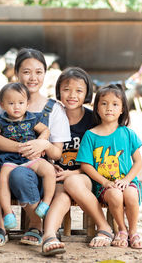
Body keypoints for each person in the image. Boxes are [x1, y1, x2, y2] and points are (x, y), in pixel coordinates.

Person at [0, 48, 71, 247]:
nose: (33, 77)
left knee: (20, 175)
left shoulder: (54, 109)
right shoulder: (3, 100)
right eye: (26, 72)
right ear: (17, 73)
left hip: (34, 166)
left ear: (45, 74)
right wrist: (23, 147)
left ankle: (36, 225)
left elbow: (56, 152)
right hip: (6, 160)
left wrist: (43, 143)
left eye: (38, 72)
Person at [41, 67, 110, 255]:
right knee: (63, 194)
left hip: (85, 176)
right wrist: (48, 166)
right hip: (55, 178)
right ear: (58, 91)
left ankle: (104, 226)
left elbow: (101, 158)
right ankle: (49, 236)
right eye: (66, 89)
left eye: (79, 90)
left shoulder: (93, 120)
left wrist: (75, 172)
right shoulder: (52, 115)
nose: (72, 95)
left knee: (71, 182)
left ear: (87, 93)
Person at [75, 84, 142, 249]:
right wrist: (105, 182)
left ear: (122, 109)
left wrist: (127, 180)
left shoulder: (128, 133)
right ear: (97, 108)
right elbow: (86, 165)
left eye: (115, 104)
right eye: (104, 103)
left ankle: (133, 231)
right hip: (103, 186)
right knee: (115, 194)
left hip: (128, 181)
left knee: (131, 194)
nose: (109, 108)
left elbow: (138, 162)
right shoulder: (90, 135)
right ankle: (121, 229)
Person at [0, 82, 56, 230]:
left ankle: (46, 202)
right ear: (2, 105)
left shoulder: (31, 119)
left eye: (21, 103)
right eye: (11, 103)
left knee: (48, 169)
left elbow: (45, 130)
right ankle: (8, 213)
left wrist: (40, 142)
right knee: (3, 178)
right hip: (9, 159)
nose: (16, 107)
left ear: (27, 104)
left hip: (30, 158)